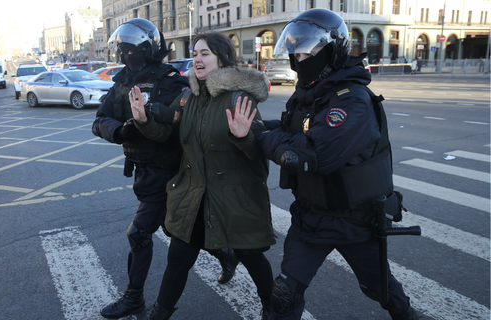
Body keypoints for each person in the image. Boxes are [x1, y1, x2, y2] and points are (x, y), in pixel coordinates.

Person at [244, 9, 419, 320]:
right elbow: (290, 128)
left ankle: (406, 315)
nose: (299, 58)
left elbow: (314, 155)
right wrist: (253, 123)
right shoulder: (308, 96)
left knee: (381, 289)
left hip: (355, 222)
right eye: (295, 51)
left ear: (331, 50)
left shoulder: (352, 100)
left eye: (307, 50)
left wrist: (259, 136)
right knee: (284, 295)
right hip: (311, 219)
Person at [91, 19, 239, 320]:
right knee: (182, 232)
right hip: (144, 171)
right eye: (122, 49)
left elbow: (187, 124)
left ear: (142, 50)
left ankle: (134, 298)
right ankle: (227, 255)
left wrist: (152, 121)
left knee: (140, 233)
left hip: (172, 172)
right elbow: (99, 120)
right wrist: (120, 131)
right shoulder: (122, 83)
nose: (124, 54)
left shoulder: (171, 81)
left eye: (128, 48)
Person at [130, 32, 276, 320]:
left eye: (204, 53)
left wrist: (244, 137)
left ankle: (272, 305)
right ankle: (158, 314)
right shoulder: (189, 97)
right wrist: (143, 121)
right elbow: (168, 135)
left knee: (250, 255)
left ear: (221, 58)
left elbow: (258, 155)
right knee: (178, 259)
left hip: (233, 196)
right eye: (195, 53)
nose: (197, 58)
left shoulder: (239, 98)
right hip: (194, 194)